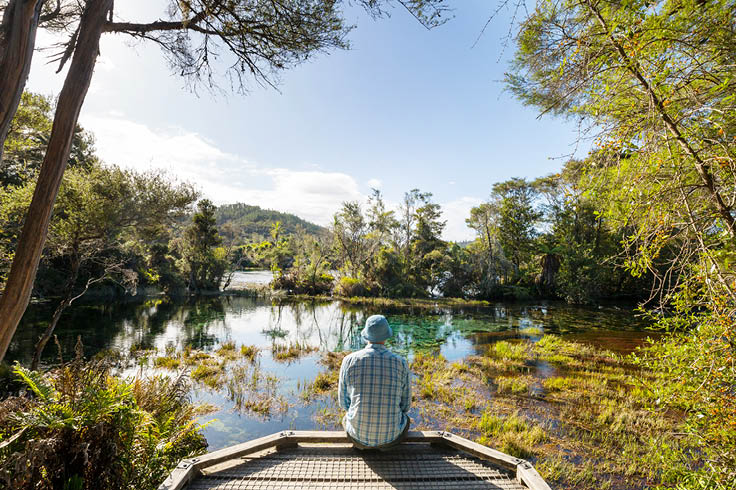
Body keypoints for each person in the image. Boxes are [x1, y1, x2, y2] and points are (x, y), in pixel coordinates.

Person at [338, 314, 411, 449]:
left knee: (346, 418)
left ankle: (363, 444)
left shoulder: (348, 360)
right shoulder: (401, 362)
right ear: (386, 336)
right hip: (391, 438)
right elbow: (405, 406)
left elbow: (344, 403)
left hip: (357, 437)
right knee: (407, 421)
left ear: (366, 335)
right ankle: (384, 446)